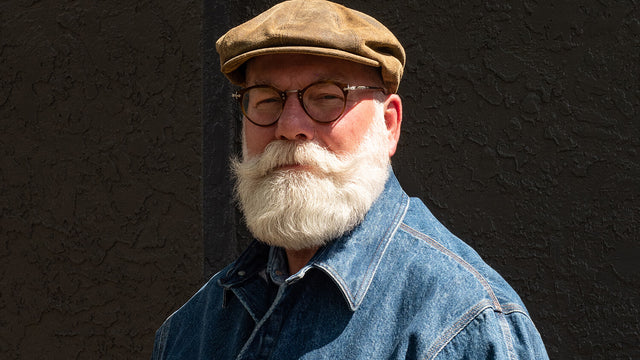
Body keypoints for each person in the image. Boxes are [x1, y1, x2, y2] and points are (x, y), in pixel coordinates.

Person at [152, 0, 549, 359]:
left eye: (327, 96)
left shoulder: (462, 325)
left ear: (389, 124)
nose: (290, 127)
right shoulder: (193, 329)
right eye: (267, 99)